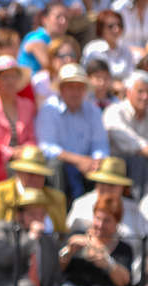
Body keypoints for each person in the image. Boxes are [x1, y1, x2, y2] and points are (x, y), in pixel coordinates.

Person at [0, 145, 68, 270]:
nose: (35, 179)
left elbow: (62, 237)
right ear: (18, 172)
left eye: (40, 174)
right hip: (9, 270)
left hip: (49, 271)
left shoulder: (57, 199)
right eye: (30, 173)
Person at [67, 157, 146, 286]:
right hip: (81, 279)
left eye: (112, 184)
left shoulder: (135, 212)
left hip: (122, 285)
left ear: (122, 187)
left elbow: (143, 251)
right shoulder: (80, 205)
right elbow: (64, 243)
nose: (105, 188)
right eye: (102, 182)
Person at [36, 63, 109, 201]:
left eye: (79, 87)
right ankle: (58, 211)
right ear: (61, 89)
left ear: (85, 90)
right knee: (54, 165)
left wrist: (96, 161)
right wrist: (78, 160)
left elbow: (101, 145)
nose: (75, 92)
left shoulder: (93, 111)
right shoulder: (49, 109)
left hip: (87, 166)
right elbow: (47, 147)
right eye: (70, 87)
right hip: (62, 166)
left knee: (108, 167)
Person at [58, 194, 133, 286]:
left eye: (107, 220)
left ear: (117, 222)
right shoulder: (78, 235)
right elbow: (59, 265)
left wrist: (108, 263)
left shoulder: (124, 249)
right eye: (98, 218)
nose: (100, 225)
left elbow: (124, 282)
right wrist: (69, 250)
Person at [0, 188, 62, 286]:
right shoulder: (4, 229)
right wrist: (30, 239)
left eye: (41, 215)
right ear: (19, 214)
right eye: (32, 214)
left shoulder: (49, 240)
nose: (37, 219)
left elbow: (56, 278)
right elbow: (3, 258)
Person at [0, 55, 36, 169]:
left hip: (25, 159)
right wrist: (9, 152)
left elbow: (32, 137)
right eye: (5, 77)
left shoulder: (28, 105)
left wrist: (24, 151)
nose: (10, 81)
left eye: (13, 76)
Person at [103, 70, 148, 200]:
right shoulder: (114, 111)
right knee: (139, 160)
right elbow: (131, 143)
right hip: (116, 169)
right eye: (140, 91)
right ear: (128, 92)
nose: (145, 96)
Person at [82, 10, 134, 84]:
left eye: (119, 25)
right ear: (101, 28)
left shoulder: (126, 50)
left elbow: (131, 76)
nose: (116, 29)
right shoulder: (93, 49)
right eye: (111, 26)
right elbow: (91, 77)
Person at [17, 1, 69, 75]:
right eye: (58, 17)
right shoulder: (37, 39)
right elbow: (51, 71)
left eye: (66, 18)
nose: (63, 21)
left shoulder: (55, 41)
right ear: (44, 19)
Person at [31, 35, 81, 106]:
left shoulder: (81, 82)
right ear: (52, 58)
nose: (69, 60)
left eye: (72, 55)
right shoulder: (40, 80)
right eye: (63, 56)